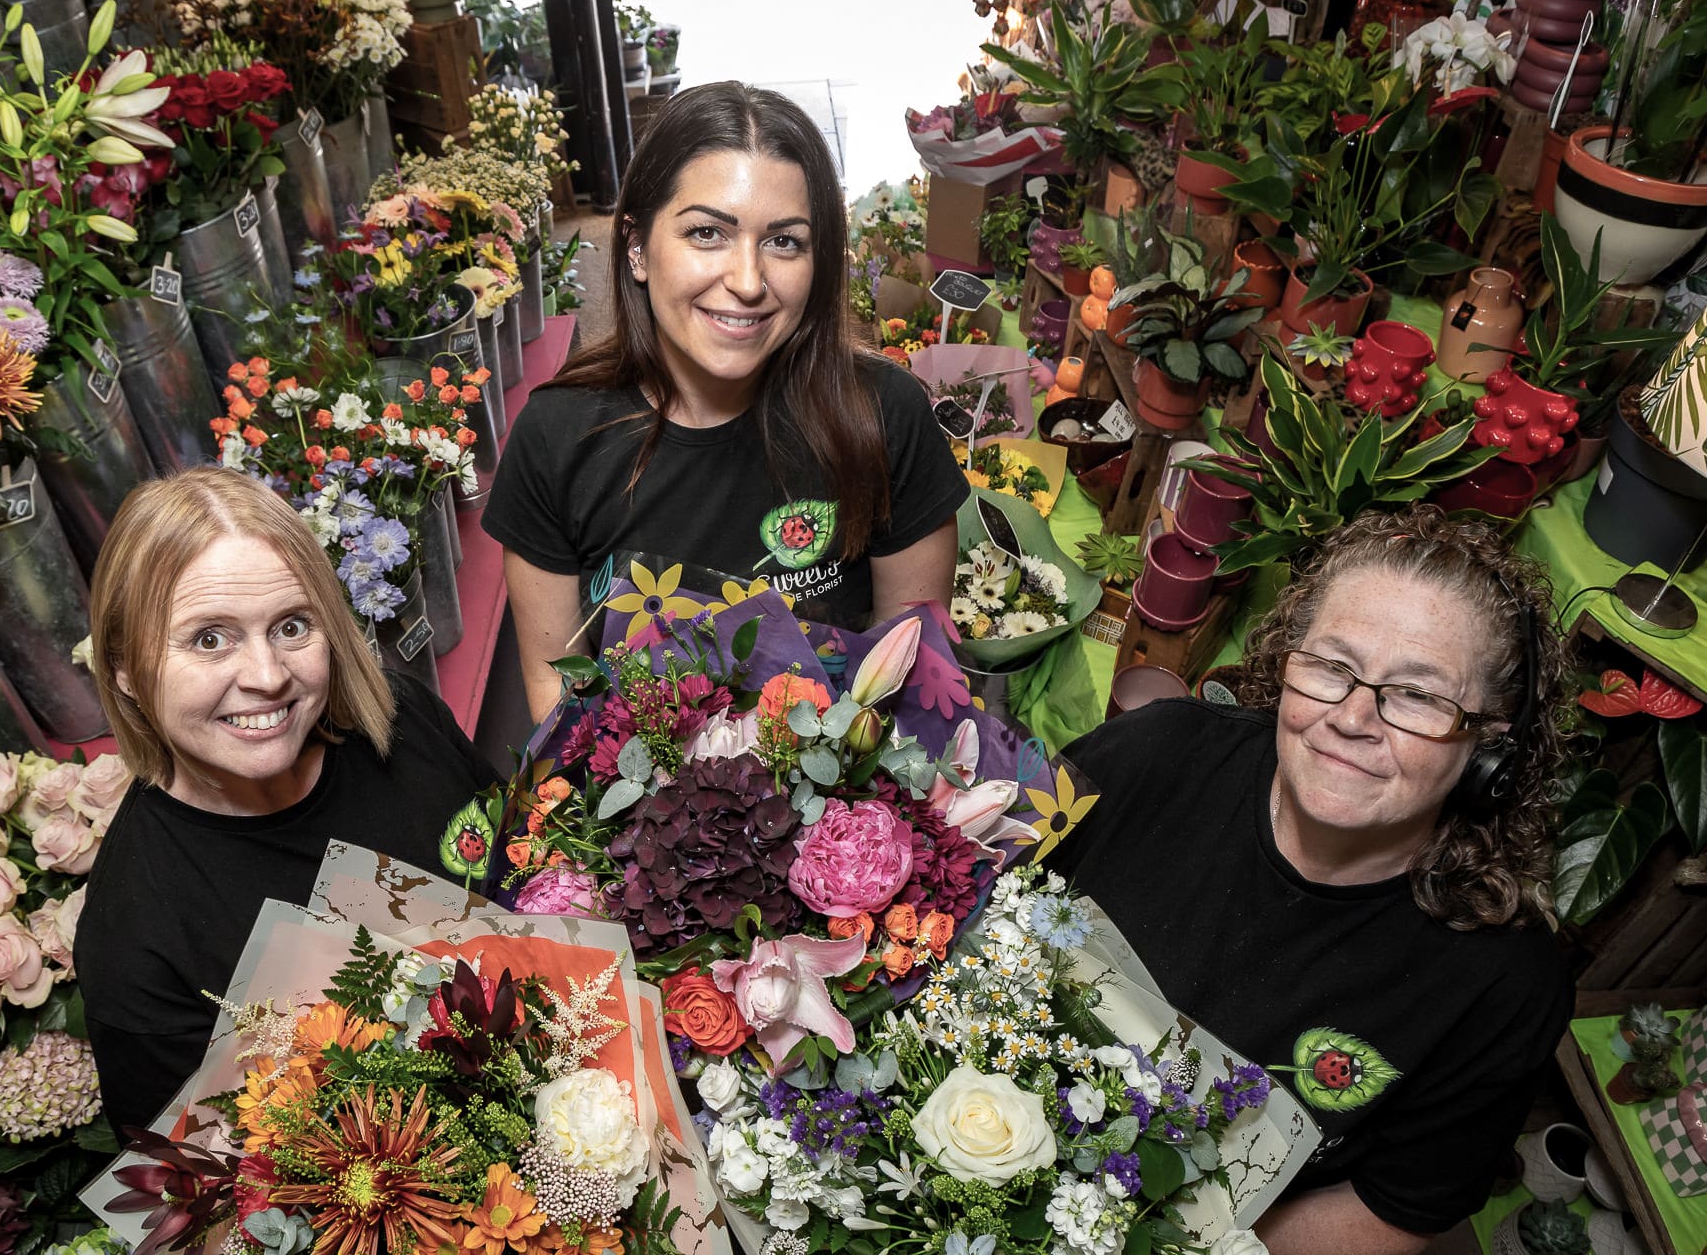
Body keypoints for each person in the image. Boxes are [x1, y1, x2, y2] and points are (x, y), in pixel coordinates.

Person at [1052, 506, 1573, 1254]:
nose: (1354, 718)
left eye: (1418, 695)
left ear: (1490, 746)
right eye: (1333, 666)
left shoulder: (1504, 986)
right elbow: (968, 880)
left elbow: (1389, 1209)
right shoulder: (1151, 752)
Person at [484, 81, 969, 719]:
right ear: (636, 245)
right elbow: (556, 698)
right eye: (708, 232)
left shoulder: (883, 415)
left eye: (785, 241)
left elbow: (915, 679)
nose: (747, 282)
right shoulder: (556, 438)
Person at [73, 468, 501, 1139]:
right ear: (125, 667)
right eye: (209, 638)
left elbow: (522, 868)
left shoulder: (404, 720)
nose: (268, 677)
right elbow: (194, 1191)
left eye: (292, 626)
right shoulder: (138, 939)